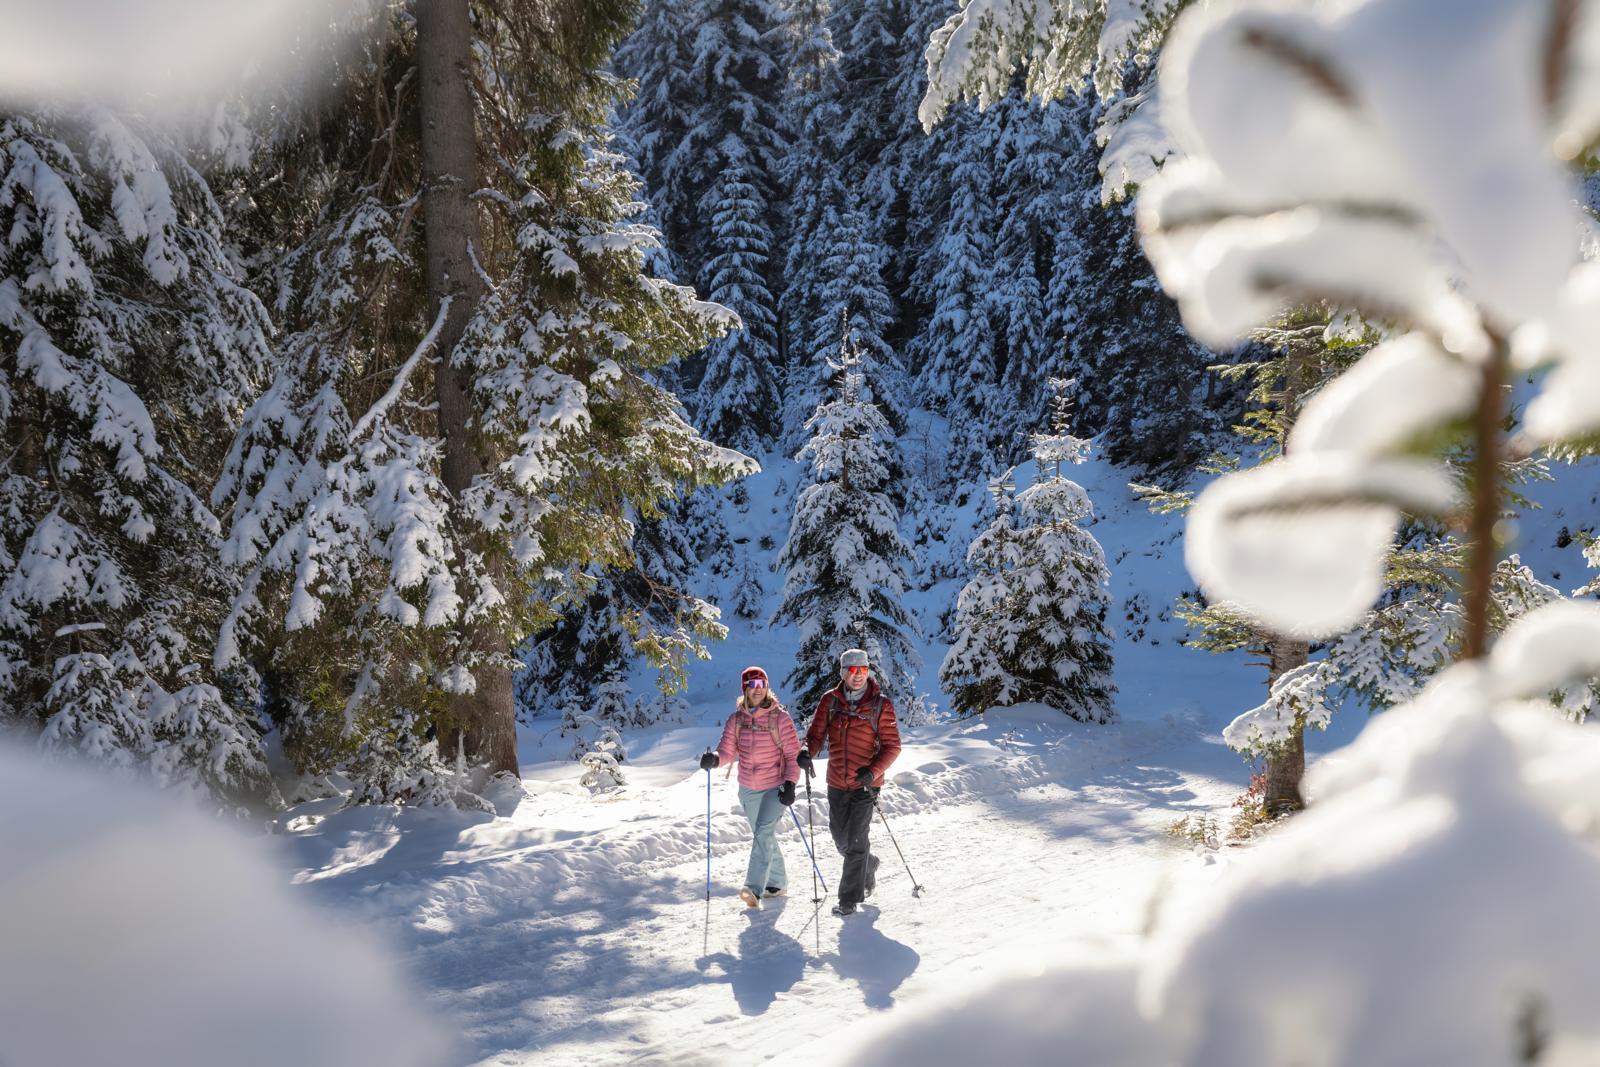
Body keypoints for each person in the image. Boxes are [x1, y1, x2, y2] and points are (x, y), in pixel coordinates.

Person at [799, 648, 902, 916]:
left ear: (869, 671)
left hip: (865, 784)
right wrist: (804, 753)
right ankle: (868, 864)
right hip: (835, 781)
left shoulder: (881, 705)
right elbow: (815, 736)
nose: (858, 676)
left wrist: (873, 771)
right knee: (840, 840)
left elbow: (893, 746)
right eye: (853, 670)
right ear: (843, 673)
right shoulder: (829, 702)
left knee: (856, 840)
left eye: (863, 670)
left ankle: (848, 899)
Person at [698, 665, 801, 908]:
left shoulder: (780, 718)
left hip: (775, 787)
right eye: (752, 685)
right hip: (748, 788)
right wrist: (714, 759)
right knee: (762, 836)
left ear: (767, 687)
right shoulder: (736, 720)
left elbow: (793, 754)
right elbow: (726, 751)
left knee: (763, 832)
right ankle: (777, 883)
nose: (758, 689)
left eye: (762, 684)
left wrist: (790, 784)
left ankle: (753, 888)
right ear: (745, 688)